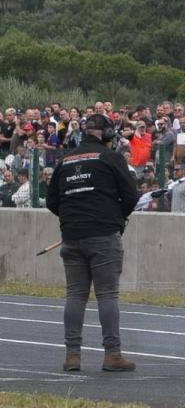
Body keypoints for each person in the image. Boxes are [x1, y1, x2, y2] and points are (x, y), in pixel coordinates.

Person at [45, 114, 140, 373]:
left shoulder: (65, 160)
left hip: (72, 236)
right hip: (103, 236)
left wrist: (72, 218)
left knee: (75, 295)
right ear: (106, 134)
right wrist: (117, 217)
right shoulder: (111, 158)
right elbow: (132, 196)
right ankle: (112, 354)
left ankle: (72, 355)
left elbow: (52, 201)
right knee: (107, 294)